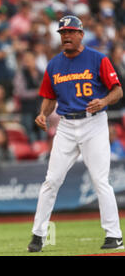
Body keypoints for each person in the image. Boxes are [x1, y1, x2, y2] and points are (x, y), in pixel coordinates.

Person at [28, 15, 124, 252]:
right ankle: (38, 235)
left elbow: (117, 91)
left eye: (71, 32)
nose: (66, 36)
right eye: (63, 33)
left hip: (94, 123)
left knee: (101, 180)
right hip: (67, 125)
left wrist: (103, 101)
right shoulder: (53, 65)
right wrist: (42, 114)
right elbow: (50, 97)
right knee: (51, 180)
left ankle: (114, 235)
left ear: (81, 34)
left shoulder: (98, 58)